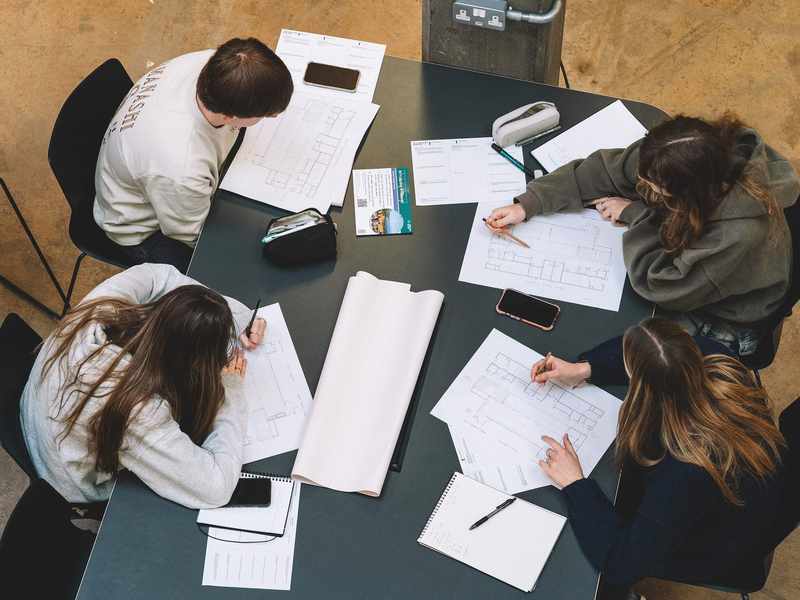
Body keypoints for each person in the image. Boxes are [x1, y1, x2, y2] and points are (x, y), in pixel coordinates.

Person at [487, 115, 800, 356]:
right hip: (696, 273)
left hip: (728, 315)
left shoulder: (736, 234)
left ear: (689, 197)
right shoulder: (676, 155)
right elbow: (604, 172)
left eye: (655, 190)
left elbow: (660, 282)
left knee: (636, 354)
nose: (644, 189)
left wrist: (636, 214)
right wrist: (529, 204)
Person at [532, 318, 788, 593]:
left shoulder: (684, 471)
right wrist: (585, 368)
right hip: (744, 491)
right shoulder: (713, 354)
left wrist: (575, 484)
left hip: (716, 543)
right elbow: (657, 354)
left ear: (643, 390)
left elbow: (621, 564)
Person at [20, 263, 267, 509]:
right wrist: (231, 390)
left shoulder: (105, 304)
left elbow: (160, 274)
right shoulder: (137, 409)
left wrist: (238, 317)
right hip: (64, 478)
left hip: (36, 407)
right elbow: (215, 488)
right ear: (193, 366)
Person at [94, 37, 294, 272]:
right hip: (141, 227)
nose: (272, 118)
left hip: (150, 178)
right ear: (230, 117)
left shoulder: (217, 65)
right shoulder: (182, 168)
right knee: (233, 272)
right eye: (267, 115)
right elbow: (191, 234)